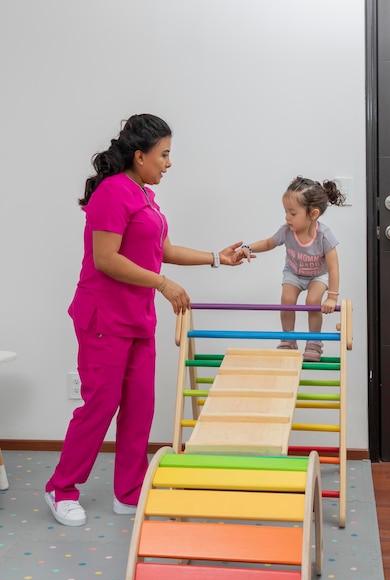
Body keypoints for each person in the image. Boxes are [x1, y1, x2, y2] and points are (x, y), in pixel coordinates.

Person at [45, 113, 245, 527]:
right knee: (101, 403)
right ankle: (61, 488)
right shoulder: (112, 193)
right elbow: (106, 259)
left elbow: (162, 249)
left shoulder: (144, 194)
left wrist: (215, 258)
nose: (169, 163)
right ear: (140, 156)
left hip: (136, 318)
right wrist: (162, 284)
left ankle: (129, 493)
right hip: (103, 315)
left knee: (139, 405)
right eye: (164, 155)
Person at [233, 176, 343, 362]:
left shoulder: (324, 235)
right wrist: (248, 248)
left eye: (293, 213)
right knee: (287, 299)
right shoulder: (287, 231)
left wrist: (332, 297)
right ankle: (288, 340)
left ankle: (314, 342)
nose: (287, 217)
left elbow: (333, 269)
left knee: (313, 300)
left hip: (318, 275)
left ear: (313, 214)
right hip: (294, 273)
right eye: (286, 212)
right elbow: (269, 242)